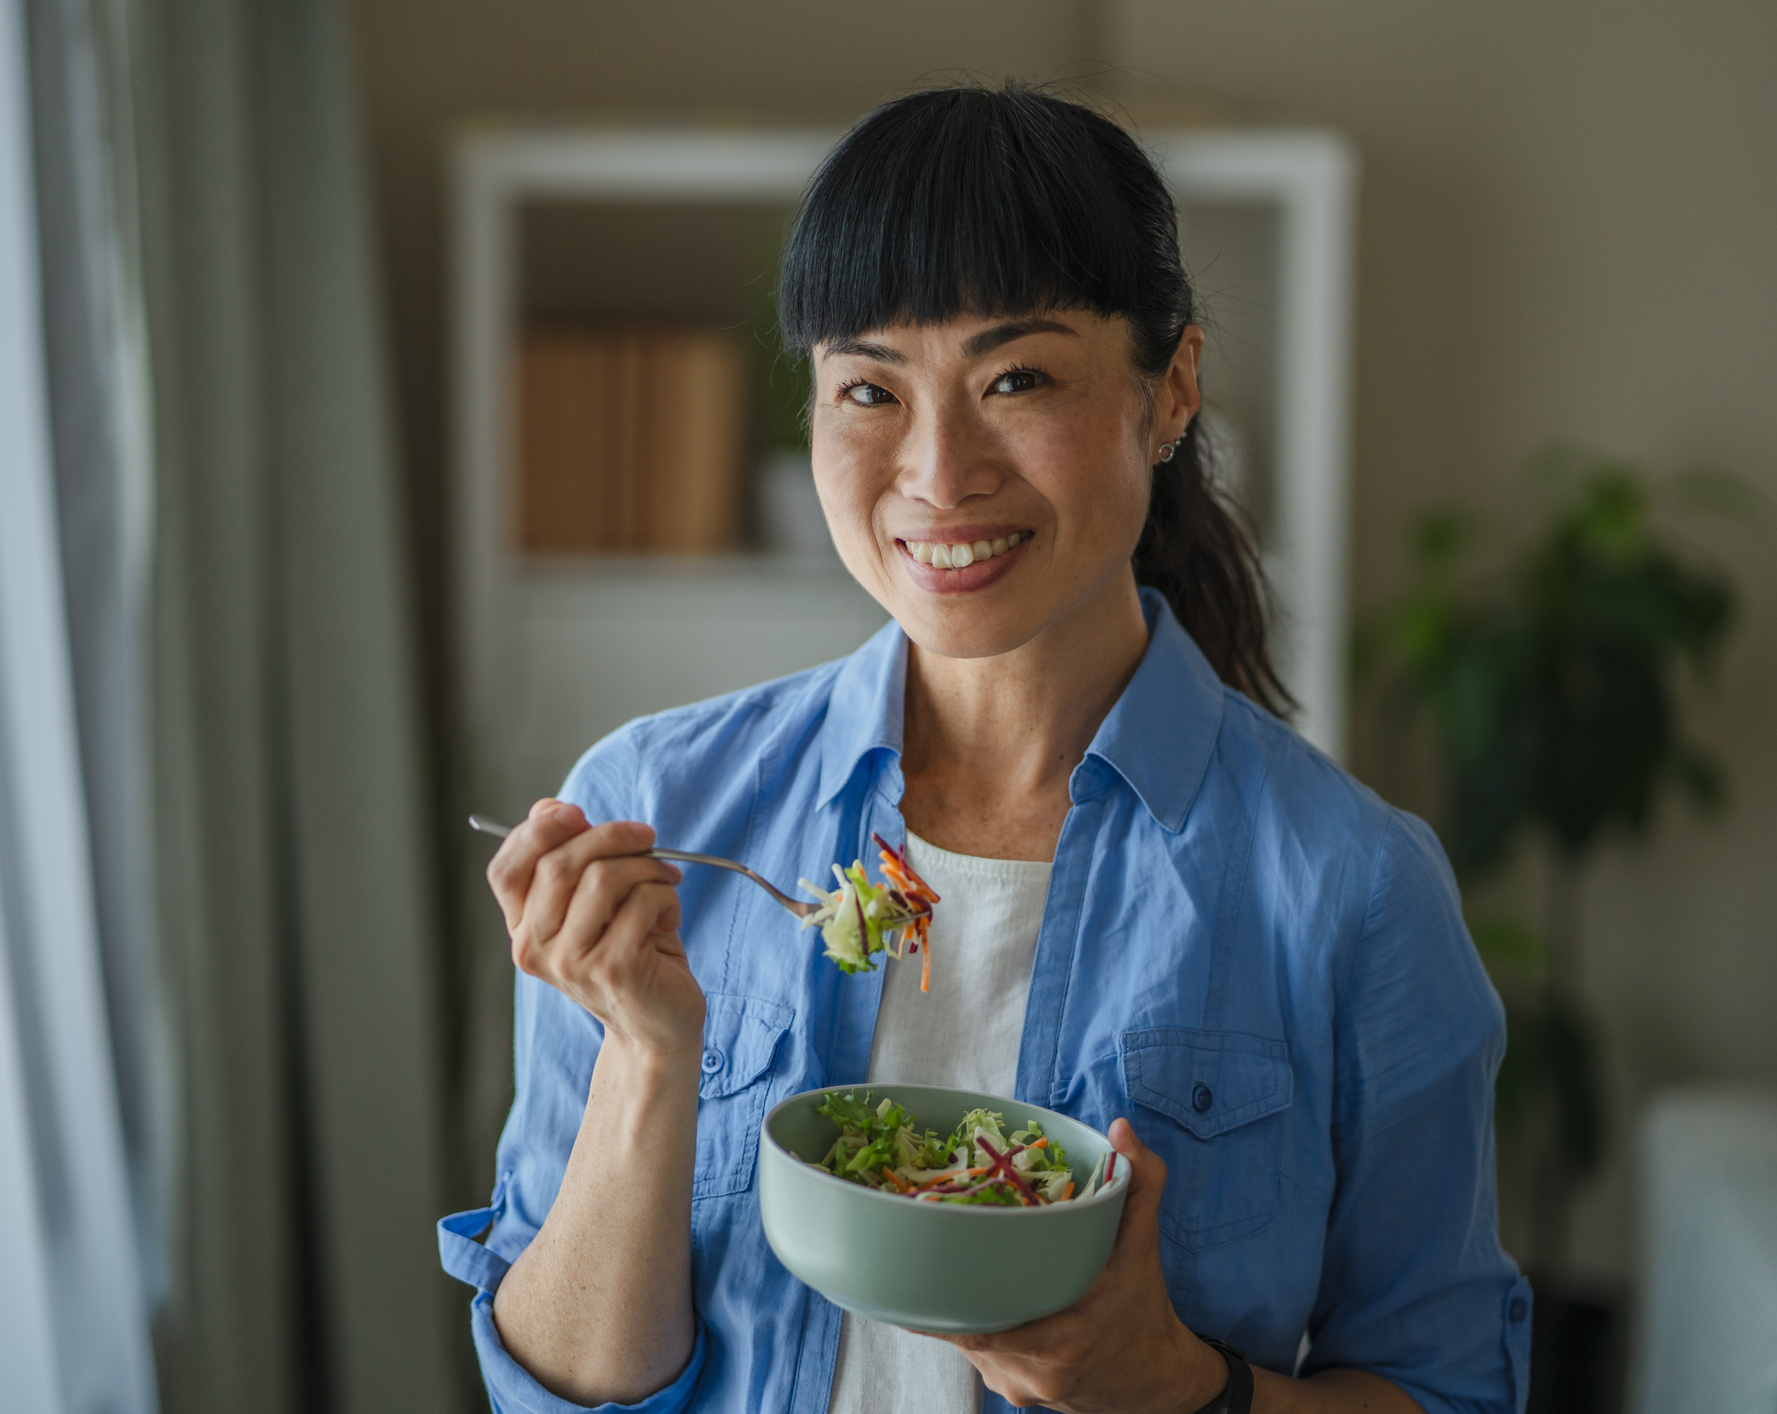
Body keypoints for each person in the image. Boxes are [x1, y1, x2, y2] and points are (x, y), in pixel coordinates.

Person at [439, 82, 1529, 1414]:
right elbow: (556, 1388)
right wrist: (649, 1059)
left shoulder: (1351, 889)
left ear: (1169, 390)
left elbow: (1450, 1388)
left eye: (1016, 377)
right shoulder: (654, 805)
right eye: (868, 388)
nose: (937, 470)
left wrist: (1184, 1388)